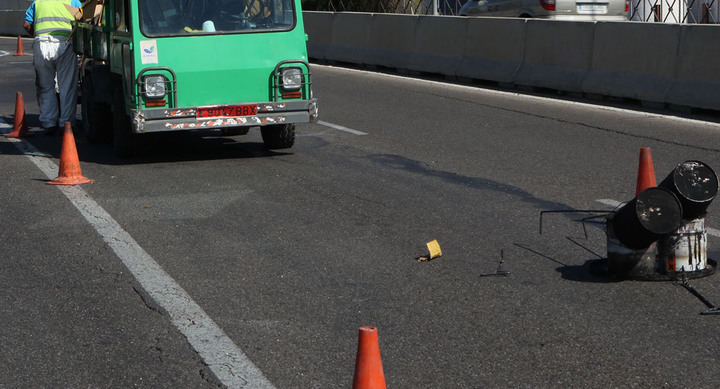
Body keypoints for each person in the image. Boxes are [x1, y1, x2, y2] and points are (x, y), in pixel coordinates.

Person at [23, 0, 83, 135]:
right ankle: (66, 123)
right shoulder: (73, 1)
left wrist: (36, 34)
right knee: (67, 86)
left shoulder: (37, 2)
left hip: (41, 43)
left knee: (45, 86)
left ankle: (49, 122)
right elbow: (84, 18)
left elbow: (27, 24)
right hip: (65, 43)